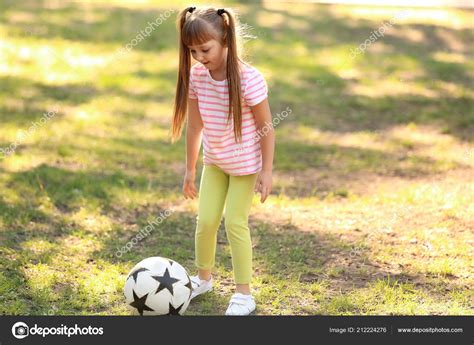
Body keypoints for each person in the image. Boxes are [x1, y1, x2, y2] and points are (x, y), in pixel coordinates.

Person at [171, 6, 275, 315]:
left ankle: (244, 294)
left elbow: (266, 128)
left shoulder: (249, 79)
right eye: (192, 51)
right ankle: (203, 279)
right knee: (205, 222)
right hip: (215, 163)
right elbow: (195, 126)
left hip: (244, 169)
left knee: (234, 222)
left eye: (205, 49)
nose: (199, 56)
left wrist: (267, 171)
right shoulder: (198, 76)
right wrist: (190, 169)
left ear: (225, 39)